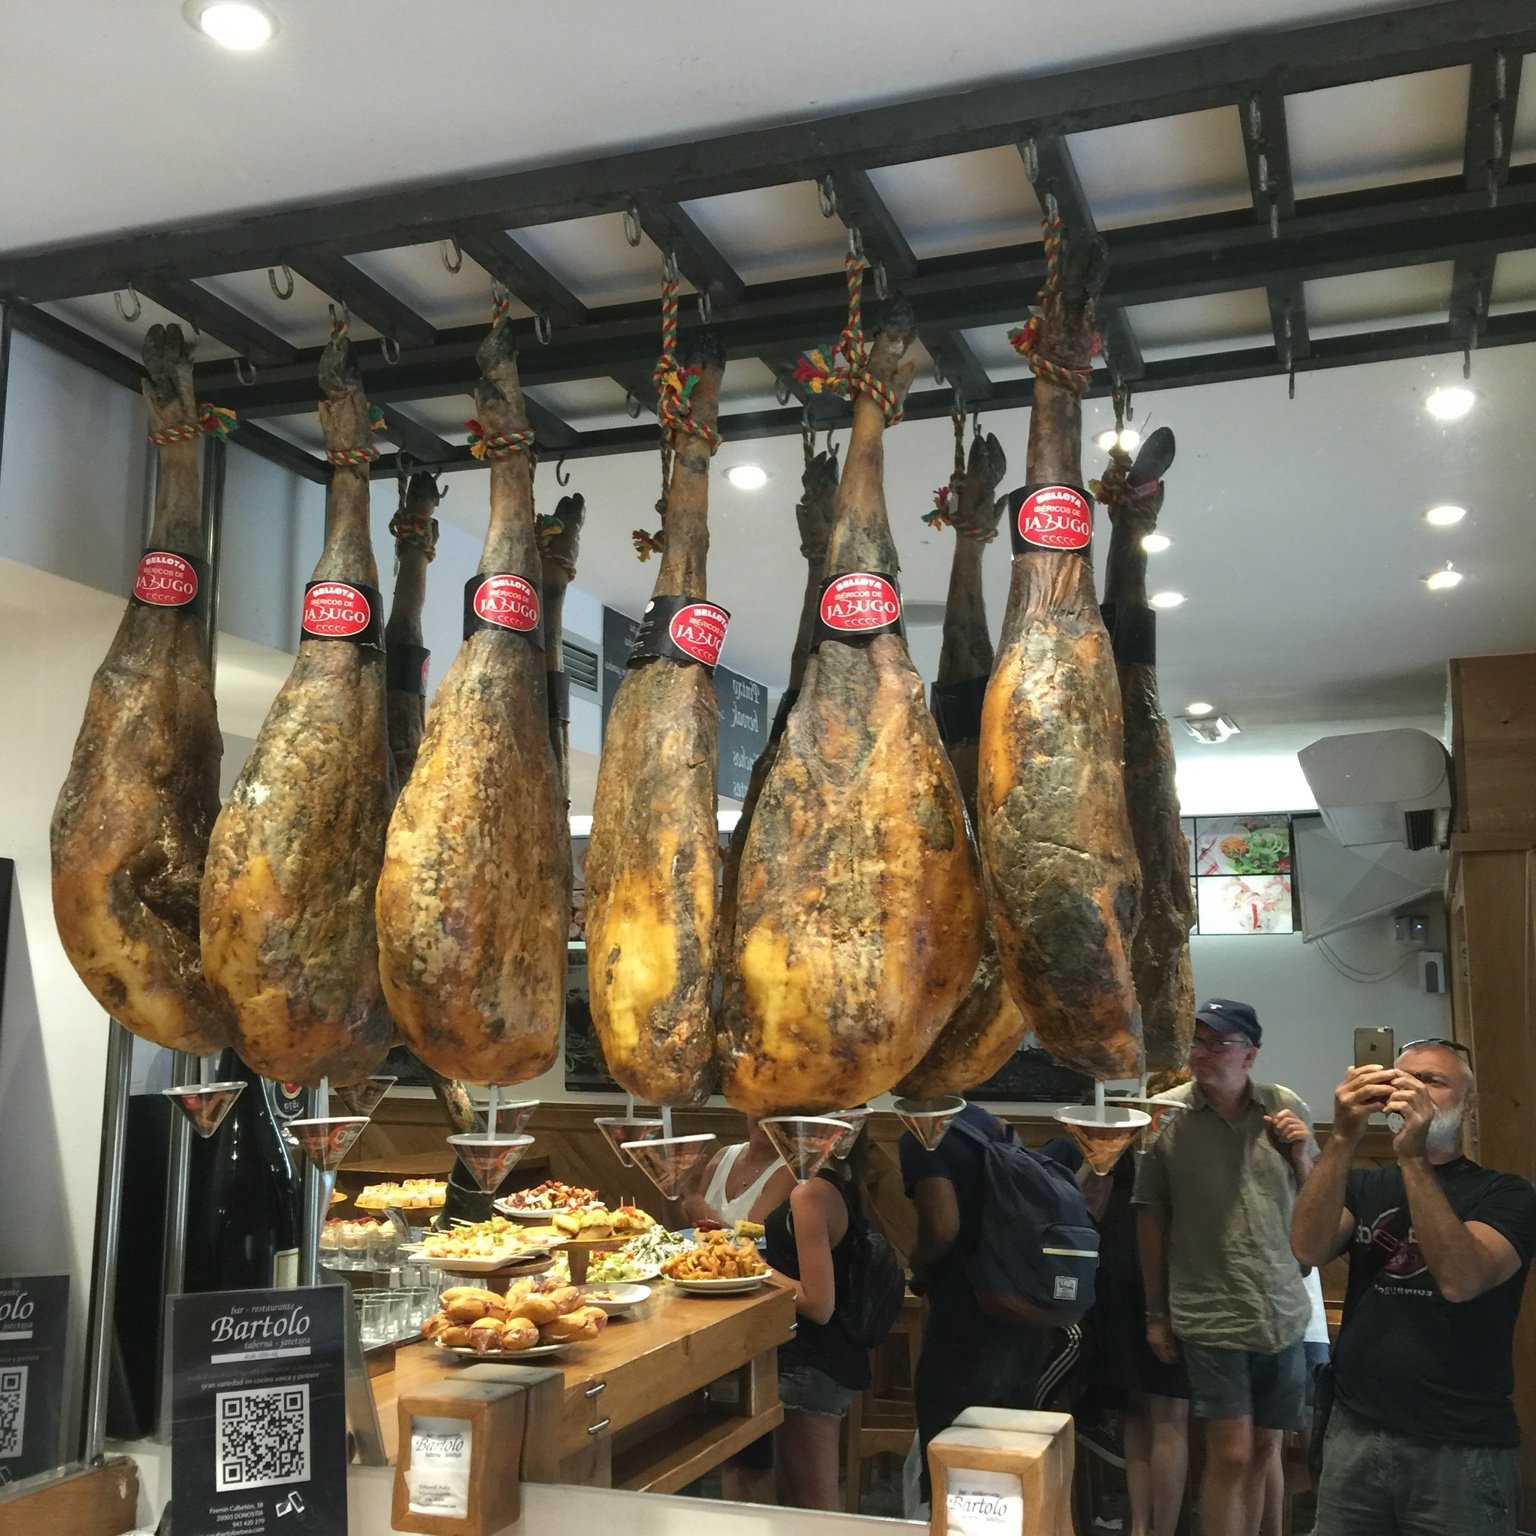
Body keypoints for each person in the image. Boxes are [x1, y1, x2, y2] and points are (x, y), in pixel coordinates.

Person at [1290, 1038, 1536, 1535]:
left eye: (1432, 1081)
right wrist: (1343, 1136)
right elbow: (1308, 1249)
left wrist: (1413, 1159)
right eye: (1403, 1079)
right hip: (1355, 1432)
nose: (1413, 1089)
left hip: (1459, 1446)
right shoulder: (1365, 1186)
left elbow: (1462, 1280)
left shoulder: (1506, 1194)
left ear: (1469, 1105)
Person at [1134, 998, 1317, 1536]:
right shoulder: (1163, 1115)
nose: (1201, 1053)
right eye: (1196, 1041)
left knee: (1264, 1449)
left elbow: (1321, 1203)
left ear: (1249, 1055)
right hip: (1209, 1308)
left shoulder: (1284, 1106)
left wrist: (1303, 1153)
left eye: (1217, 1043)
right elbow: (1149, 1215)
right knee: (1231, 1451)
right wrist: (1156, 1313)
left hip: (1282, 1308)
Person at [898, 1102, 1082, 1500]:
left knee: (954, 1469)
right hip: (1021, 1312)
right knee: (1007, 1468)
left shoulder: (924, 1133)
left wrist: (918, 1262)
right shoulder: (987, 1124)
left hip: (965, 1323)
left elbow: (942, 1226)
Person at [1076, 1144, 1191, 1536]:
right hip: (1146, 1265)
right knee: (1156, 1409)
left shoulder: (1134, 1128)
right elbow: (1085, 1193)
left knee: (1150, 1409)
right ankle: (1149, 1529)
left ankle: (1147, 1529)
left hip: (1139, 1262)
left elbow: (1083, 1195)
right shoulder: (1145, 1129)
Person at [761, 1140, 873, 1510]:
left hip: (811, 1362)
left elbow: (818, 1304)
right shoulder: (840, 1178)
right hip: (826, 1357)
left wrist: (755, 1267)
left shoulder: (810, 1193)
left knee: (816, 1510)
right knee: (799, 1505)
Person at [678, 1114, 793, 1229]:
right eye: (759, 1108)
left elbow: (750, 1236)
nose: (767, 1116)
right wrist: (671, 1190)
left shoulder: (788, 1172)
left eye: (778, 1111)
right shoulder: (723, 1155)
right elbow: (683, 1227)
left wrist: (692, 1195)